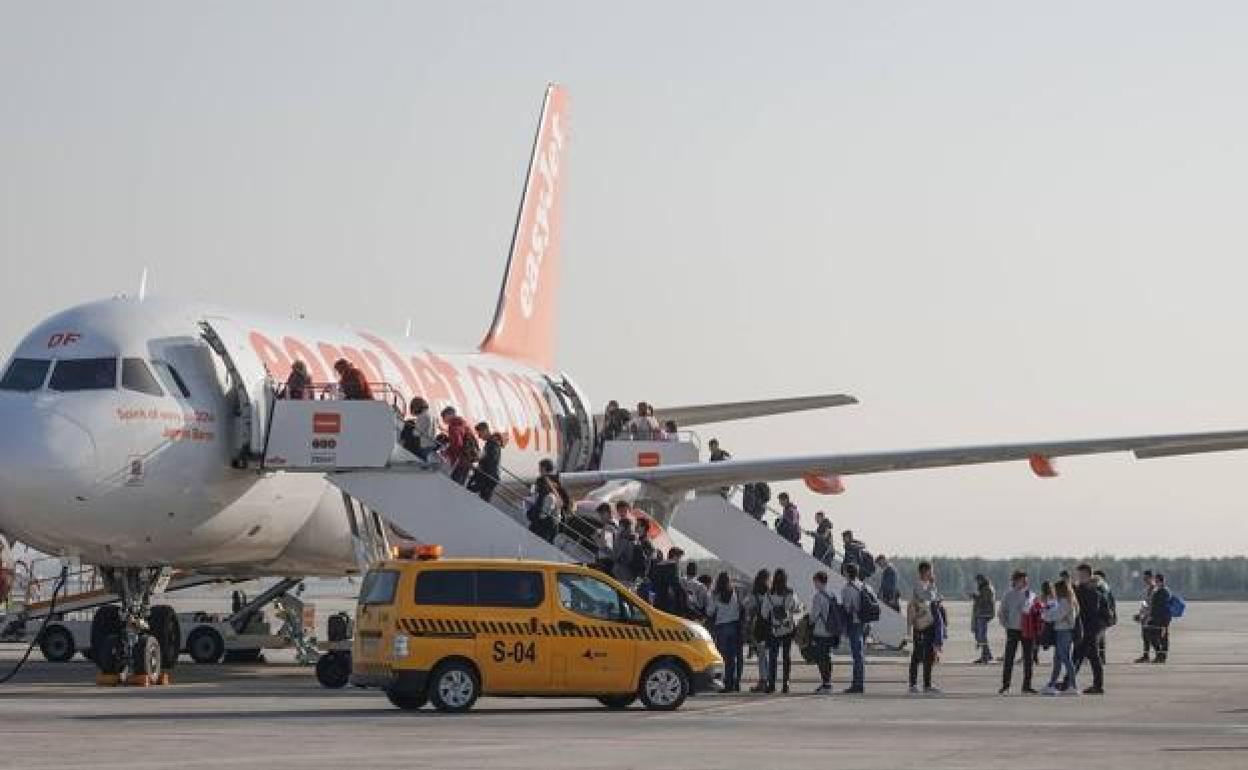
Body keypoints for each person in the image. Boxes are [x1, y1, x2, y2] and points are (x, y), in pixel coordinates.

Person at [760, 568, 801, 693]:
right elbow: (795, 607)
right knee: (786, 657)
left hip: (775, 629)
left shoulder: (769, 595)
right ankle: (786, 683)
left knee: (773, 657)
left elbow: (764, 614)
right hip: (787, 628)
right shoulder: (790, 593)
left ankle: (772, 684)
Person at [906, 561, 943, 694]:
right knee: (917, 654)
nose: (932, 574)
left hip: (930, 623)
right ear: (923, 572)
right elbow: (925, 596)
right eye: (930, 571)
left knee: (929, 655)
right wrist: (932, 586)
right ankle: (913, 684)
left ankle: (927, 684)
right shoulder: (918, 584)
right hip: (920, 624)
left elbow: (933, 598)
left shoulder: (929, 585)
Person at [1070, 563, 1107, 694]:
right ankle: (1069, 682)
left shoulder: (1092, 592)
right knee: (1080, 656)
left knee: (1090, 657)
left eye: (1081, 575)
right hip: (1086, 629)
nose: (1079, 577)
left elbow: (1088, 612)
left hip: (1090, 630)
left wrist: (1075, 590)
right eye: (1078, 575)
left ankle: (1097, 686)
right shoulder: (1085, 589)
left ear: (1087, 575)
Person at [998, 570, 1036, 694]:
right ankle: (1006, 685)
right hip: (1013, 629)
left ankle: (1027, 685)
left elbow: (1036, 612)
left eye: (1026, 580)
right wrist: (1006, 625)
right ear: (1015, 581)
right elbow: (1002, 612)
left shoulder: (1031, 595)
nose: (1025, 582)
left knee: (1028, 659)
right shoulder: (1008, 595)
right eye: (1022, 580)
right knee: (1009, 658)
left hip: (1027, 630)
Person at [706, 572, 743, 692]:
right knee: (733, 658)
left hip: (721, 627)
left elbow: (710, 611)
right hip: (733, 626)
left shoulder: (715, 595)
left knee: (722, 657)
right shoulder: (735, 592)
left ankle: (724, 684)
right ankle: (733, 683)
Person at [1042, 578, 1080, 696]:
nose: (1054, 592)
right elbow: (1056, 614)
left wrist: (1044, 614)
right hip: (1061, 631)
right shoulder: (1066, 601)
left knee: (1065, 658)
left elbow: (1056, 615)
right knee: (1058, 659)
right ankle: (1052, 684)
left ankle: (1073, 686)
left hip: (1064, 632)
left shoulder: (1065, 602)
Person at [810, 571, 842, 694]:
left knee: (822, 657)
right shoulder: (832, 594)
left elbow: (814, 616)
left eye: (815, 582)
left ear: (818, 581)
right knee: (827, 657)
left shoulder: (818, 596)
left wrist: (809, 622)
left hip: (821, 631)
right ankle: (828, 682)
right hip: (832, 630)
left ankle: (826, 684)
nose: (814, 584)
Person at [840, 562, 868, 694]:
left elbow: (846, 608)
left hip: (854, 622)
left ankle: (857, 684)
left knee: (857, 655)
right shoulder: (863, 586)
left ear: (847, 573)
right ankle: (859, 683)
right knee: (860, 654)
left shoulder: (847, 589)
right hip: (864, 622)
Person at [526, 458, 567, 543]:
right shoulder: (557, 483)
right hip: (554, 523)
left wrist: (531, 514)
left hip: (542, 523)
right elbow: (565, 501)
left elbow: (540, 500)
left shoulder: (543, 481)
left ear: (544, 468)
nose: (539, 470)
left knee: (531, 544)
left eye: (540, 468)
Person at [743, 569, 771, 692]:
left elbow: (746, 606)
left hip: (758, 626)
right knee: (769, 654)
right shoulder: (770, 593)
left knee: (761, 655)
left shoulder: (754, 594)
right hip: (770, 626)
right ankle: (769, 680)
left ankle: (763, 680)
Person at [466, 422, 501, 502]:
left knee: (482, 497)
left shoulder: (492, 444)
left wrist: (480, 462)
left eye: (480, 433)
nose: (479, 436)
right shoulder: (490, 443)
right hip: (488, 475)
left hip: (488, 476)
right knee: (483, 498)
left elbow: (491, 460)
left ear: (485, 430)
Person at [440, 406, 475, 484]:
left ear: (449, 415)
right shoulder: (463, 423)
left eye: (443, 417)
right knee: (459, 484)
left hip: (461, 461)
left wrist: (447, 452)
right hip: (467, 459)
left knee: (454, 484)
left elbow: (457, 444)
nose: (443, 420)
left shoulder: (454, 427)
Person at [651, 548, 689, 617]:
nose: (679, 560)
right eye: (679, 557)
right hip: (668, 601)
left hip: (657, 598)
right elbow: (674, 584)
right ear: (674, 556)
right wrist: (684, 592)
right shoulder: (672, 565)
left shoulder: (658, 565)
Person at [399, 397, 437, 461]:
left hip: (424, 444)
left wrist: (413, 426)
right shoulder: (431, 413)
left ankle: (401, 444)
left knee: (408, 425)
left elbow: (417, 433)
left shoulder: (422, 416)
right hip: (431, 443)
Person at [970, 574, 996, 664]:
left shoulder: (987, 589)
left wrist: (975, 597)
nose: (977, 582)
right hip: (981, 614)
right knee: (979, 635)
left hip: (984, 614)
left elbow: (984, 601)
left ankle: (986, 655)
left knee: (981, 635)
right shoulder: (984, 588)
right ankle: (987, 654)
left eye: (978, 580)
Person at [1148, 573, 1173, 664]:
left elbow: (1160, 606)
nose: (1155, 581)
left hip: (1162, 618)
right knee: (1154, 636)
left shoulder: (1164, 591)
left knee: (1162, 637)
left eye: (1156, 580)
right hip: (1157, 617)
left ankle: (1162, 656)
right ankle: (1159, 655)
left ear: (1159, 580)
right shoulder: (1159, 590)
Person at [1093, 569, 1116, 664]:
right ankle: (1101, 658)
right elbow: (1112, 603)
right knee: (1101, 639)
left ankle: (1098, 658)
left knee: (1097, 639)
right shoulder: (1107, 588)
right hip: (1106, 617)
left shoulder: (1100, 588)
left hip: (1100, 617)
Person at [592, 503, 617, 575]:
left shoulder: (608, 527)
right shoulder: (613, 525)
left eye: (602, 514)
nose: (600, 516)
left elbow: (607, 548)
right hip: (608, 562)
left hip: (605, 562)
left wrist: (596, 538)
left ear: (608, 513)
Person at [611, 515, 637, 583]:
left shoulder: (625, 541)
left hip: (620, 574)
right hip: (625, 575)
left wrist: (617, 536)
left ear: (624, 528)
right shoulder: (632, 540)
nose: (618, 528)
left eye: (620, 526)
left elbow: (615, 556)